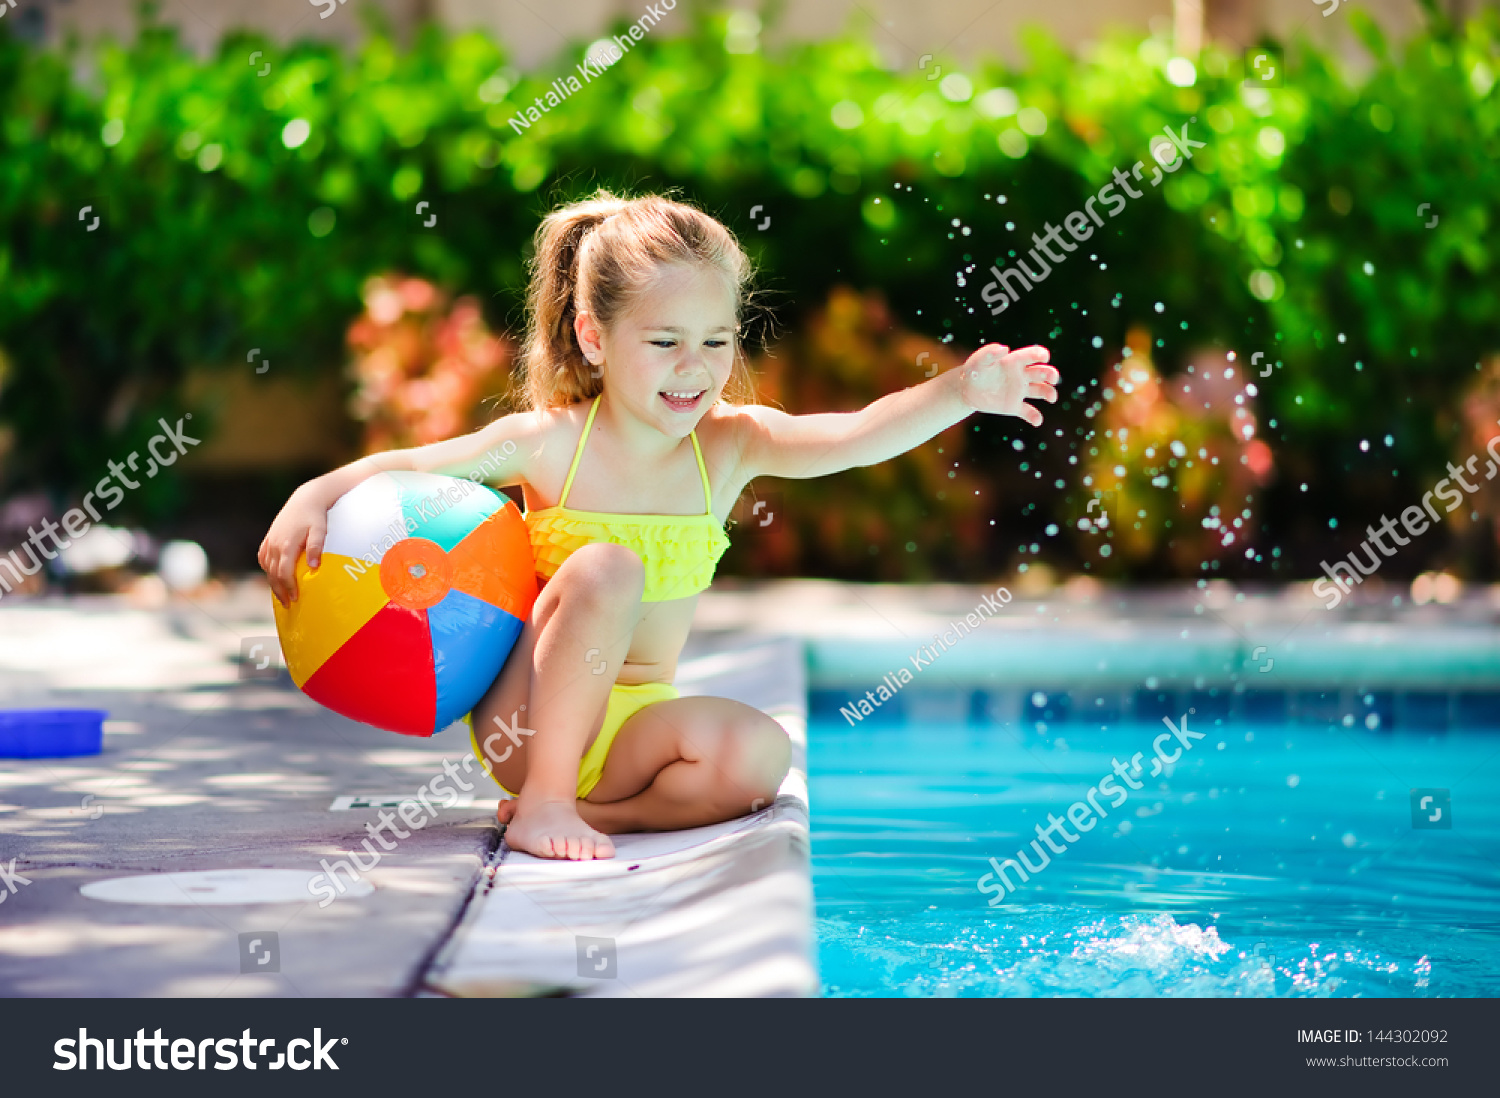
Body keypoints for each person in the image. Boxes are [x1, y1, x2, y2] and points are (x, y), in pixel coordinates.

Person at [259, 188, 1058, 860]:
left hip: (639, 730)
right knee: (609, 570)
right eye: (667, 341)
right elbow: (413, 468)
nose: (696, 366)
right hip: (530, 719)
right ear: (594, 337)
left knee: (763, 755)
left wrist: (958, 393)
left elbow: (853, 436)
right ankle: (541, 803)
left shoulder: (731, 445)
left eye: (716, 340)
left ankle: (601, 817)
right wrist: (311, 496)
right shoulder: (552, 443)